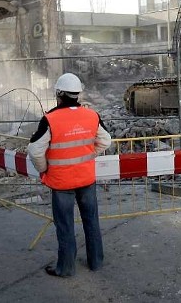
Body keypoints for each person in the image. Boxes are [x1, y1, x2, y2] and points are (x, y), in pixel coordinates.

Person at [28, 72, 111, 277]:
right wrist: (88, 153)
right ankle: (96, 262)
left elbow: (35, 150)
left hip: (61, 182)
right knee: (91, 220)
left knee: (65, 225)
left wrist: (44, 168)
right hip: (86, 178)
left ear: (59, 94)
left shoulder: (50, 119)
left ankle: (65, 268)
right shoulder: (91, 115)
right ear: (78, 95)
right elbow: (106, 140)